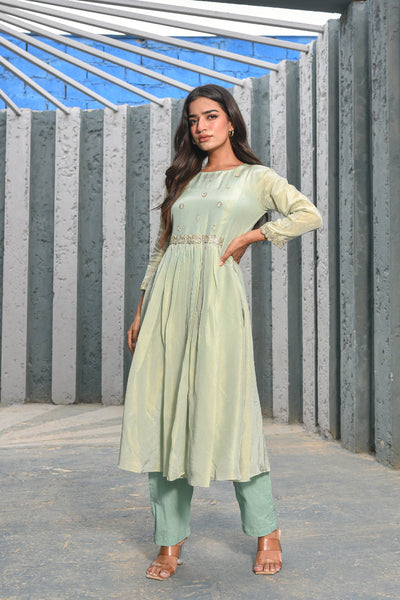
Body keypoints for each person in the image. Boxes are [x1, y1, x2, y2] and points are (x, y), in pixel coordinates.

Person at [118, 84, 322, 581]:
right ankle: (169, 540)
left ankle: (267, 531)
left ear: (231, 121)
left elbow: (308, 214)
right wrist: (141, 309)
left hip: (216, 301)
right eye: (193, 120)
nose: (201, 127)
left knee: (232, 413)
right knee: (165, 416)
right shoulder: (184, 179)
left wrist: (255, 233)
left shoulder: (256, 177)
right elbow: (162, 247)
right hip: (167, 302)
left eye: (211, 116)